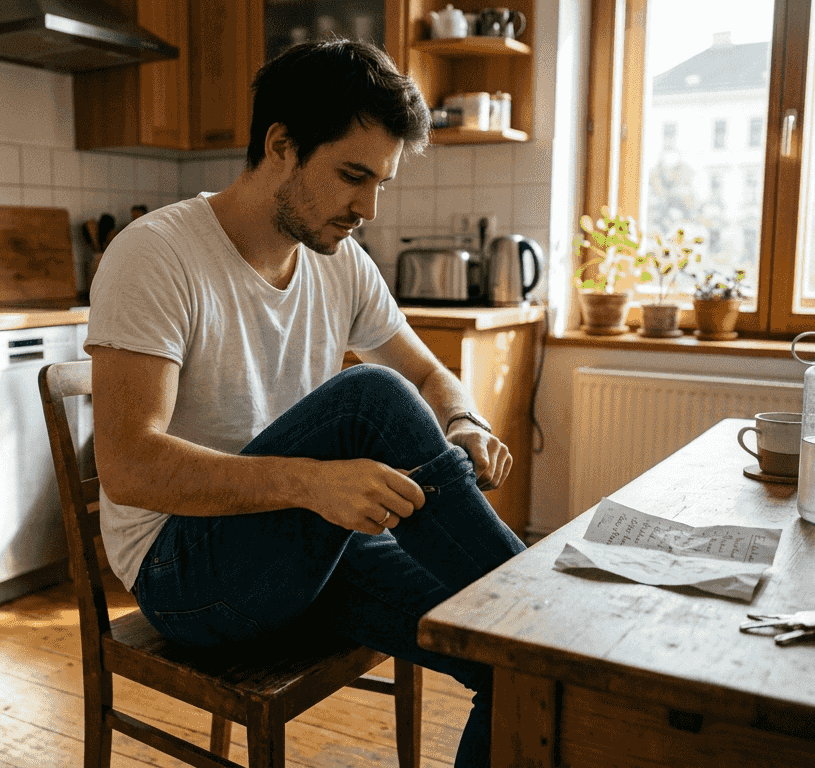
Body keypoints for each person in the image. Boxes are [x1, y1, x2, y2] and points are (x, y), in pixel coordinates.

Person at [85, 40, 526, 767]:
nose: (369, 208)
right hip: (185, 575)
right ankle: (540, 611)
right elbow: (129, 467)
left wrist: (465, 421)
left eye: (381, 182)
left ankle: (532, 629)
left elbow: (428, 374)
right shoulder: (155, 254)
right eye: (353, 176)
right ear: (281, 145)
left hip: (301, 547)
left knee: (507, 663)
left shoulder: (339, 260)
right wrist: (313, 483)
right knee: (367, 398)